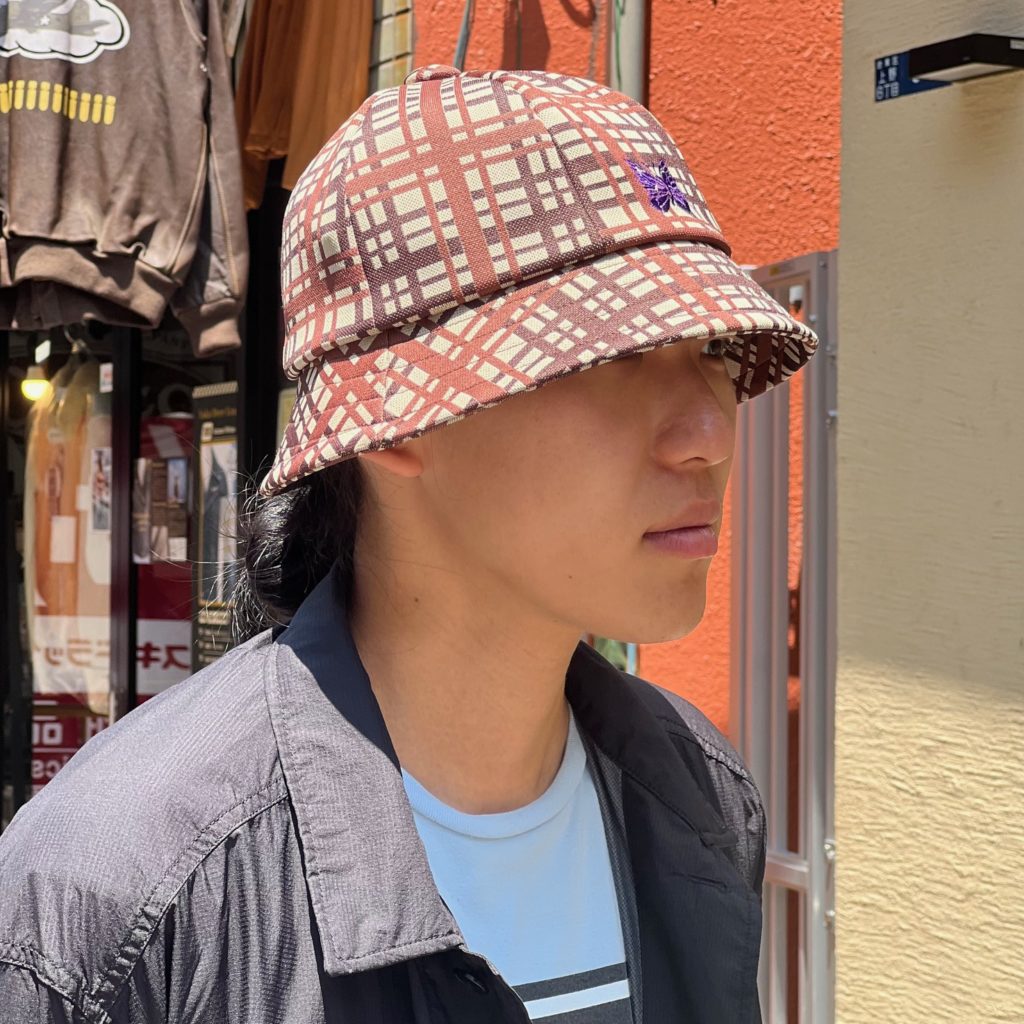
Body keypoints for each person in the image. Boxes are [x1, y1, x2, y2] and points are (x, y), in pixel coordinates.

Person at [0, 65, 818, 1023]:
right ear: (394, 417)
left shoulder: (698, 793)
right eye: (618, 354)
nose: (710, 435)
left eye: (716, 352)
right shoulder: (122, 892)